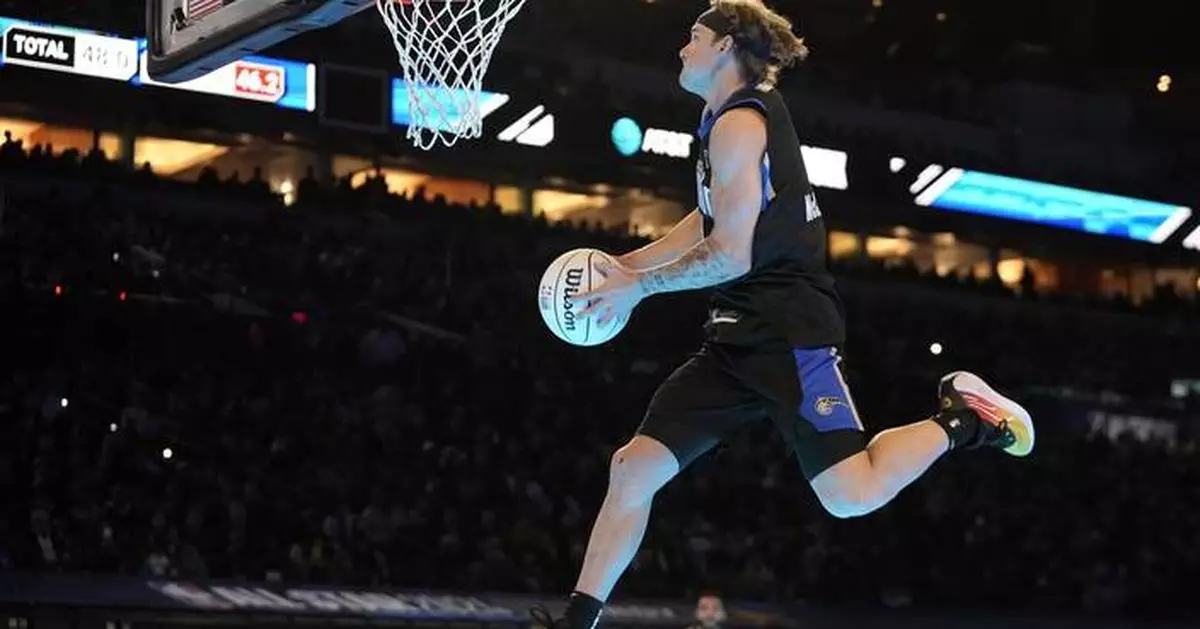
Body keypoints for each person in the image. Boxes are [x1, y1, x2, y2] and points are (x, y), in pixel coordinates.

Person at [530, 1, 1035, 627]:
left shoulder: (741, 125)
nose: (682, 45)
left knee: (851, 495)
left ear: (725, 46)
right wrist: (627, 266)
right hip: (737, 334)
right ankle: (577, 621)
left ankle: (966, 418)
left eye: (694, 35)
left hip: (792, 331)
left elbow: (731, 254)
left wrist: (640, 290)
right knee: (633, 467)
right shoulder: (719, 119)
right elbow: (707, 218)